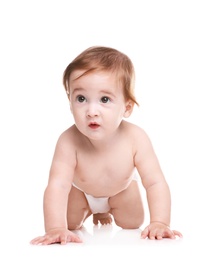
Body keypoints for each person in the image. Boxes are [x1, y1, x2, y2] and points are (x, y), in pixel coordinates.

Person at [30, 46, 182, 245]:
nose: (92, 111)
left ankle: (108, 210)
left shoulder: (135, 138)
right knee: (70, 224)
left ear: (126, 108)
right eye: (81, 98)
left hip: (121, 191)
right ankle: (88, 211)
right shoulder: (68, 141)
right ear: (70, 103)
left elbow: (155, 182)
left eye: (104, 99)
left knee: (133, 222)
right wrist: (55, 228)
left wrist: (160, 222)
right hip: (81, 192)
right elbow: (58, 185)